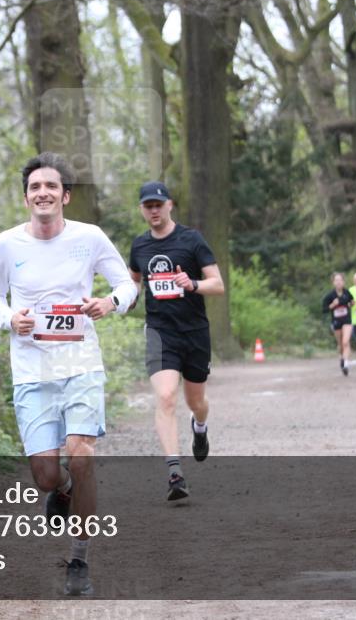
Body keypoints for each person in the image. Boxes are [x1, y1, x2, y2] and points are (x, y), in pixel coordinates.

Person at [0, 152, 137, 596]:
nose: (43, 193)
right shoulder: (7, 244)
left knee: (81, 453)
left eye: (51, 186)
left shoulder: (89, 238)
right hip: (32, 369)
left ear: (65, 196)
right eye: (35, 187)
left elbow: (126, 284)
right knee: (46, 474)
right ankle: (62, 489)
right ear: (27, 198)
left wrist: (111, 303)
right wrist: (11, 319)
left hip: (81, 363)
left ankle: (79, 559)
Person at [127, 182, 225, 501]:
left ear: (170, 205)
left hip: (194, 331)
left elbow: (218, 284)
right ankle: (174, 472)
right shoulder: (139, 246)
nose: (153, 210)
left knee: (195, 401)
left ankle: (199, 426)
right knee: (166, 396)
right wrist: (117, 301)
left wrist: (192, 283)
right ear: (142, 210)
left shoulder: (191, 240)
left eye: (158, 204)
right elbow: (133, 286)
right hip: (160, 332)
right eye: (148, 206)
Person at [321, 273, 354, 376]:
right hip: (336, 322)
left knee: (345, 342)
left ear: (343, 282)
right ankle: (342, 358)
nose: (339, 282)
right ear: (333, 282)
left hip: (347, 321)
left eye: (340, 280)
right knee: (340, 345)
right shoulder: (330, 296)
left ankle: (345, 364)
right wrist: (332, 305)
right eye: (336, 280)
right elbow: (324, 310)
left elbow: (352, 302)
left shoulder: (347, 292)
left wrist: (351, 304)